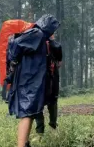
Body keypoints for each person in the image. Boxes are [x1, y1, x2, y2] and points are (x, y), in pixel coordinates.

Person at [6, 14, 60, 147]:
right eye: (53, 28)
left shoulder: (41, 36)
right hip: (27, 80)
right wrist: (13, 63)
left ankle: (25, 143)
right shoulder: (37, 33)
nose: (53, 32)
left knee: (30, 112)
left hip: (32, 79)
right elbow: (16, 45)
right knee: (28, 113)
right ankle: (22, 144)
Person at [33, 36, 62, 139]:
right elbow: (59, 61)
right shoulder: (47, 42)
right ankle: (45, 129)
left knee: (47, 101)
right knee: (47, 101)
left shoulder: (52, 44)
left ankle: (45, 129)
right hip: (45, 77)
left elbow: (59, 61)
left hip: (45, 77)